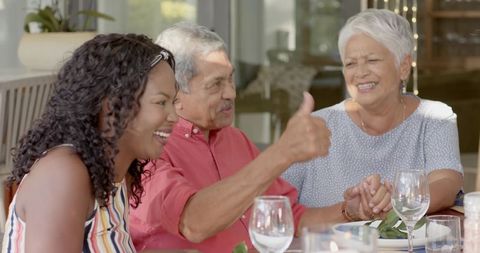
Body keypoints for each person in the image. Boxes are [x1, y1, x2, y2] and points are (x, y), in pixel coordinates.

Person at [129, 22, 391, 253]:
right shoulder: (151, 146)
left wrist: (349, 211)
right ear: (175, 92)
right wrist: (282, 153)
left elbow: (293, 218)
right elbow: (193, 223)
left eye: (231, 79)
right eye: (216, 84)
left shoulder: (236, 140)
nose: (231, 93)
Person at [2, 34, 178, 252]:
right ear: (112, 106)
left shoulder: (115, 176)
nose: (174, 116)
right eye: (161, 102)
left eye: (174, 102)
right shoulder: (64, 174)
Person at [282, 9, 463, 216]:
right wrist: (350, 211)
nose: (360, 73)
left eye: (372, 60)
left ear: (403, 66)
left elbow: (447, 182)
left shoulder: (433, 118)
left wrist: (399, 201)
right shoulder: (315, 126)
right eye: (350, 63)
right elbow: (274, 200)